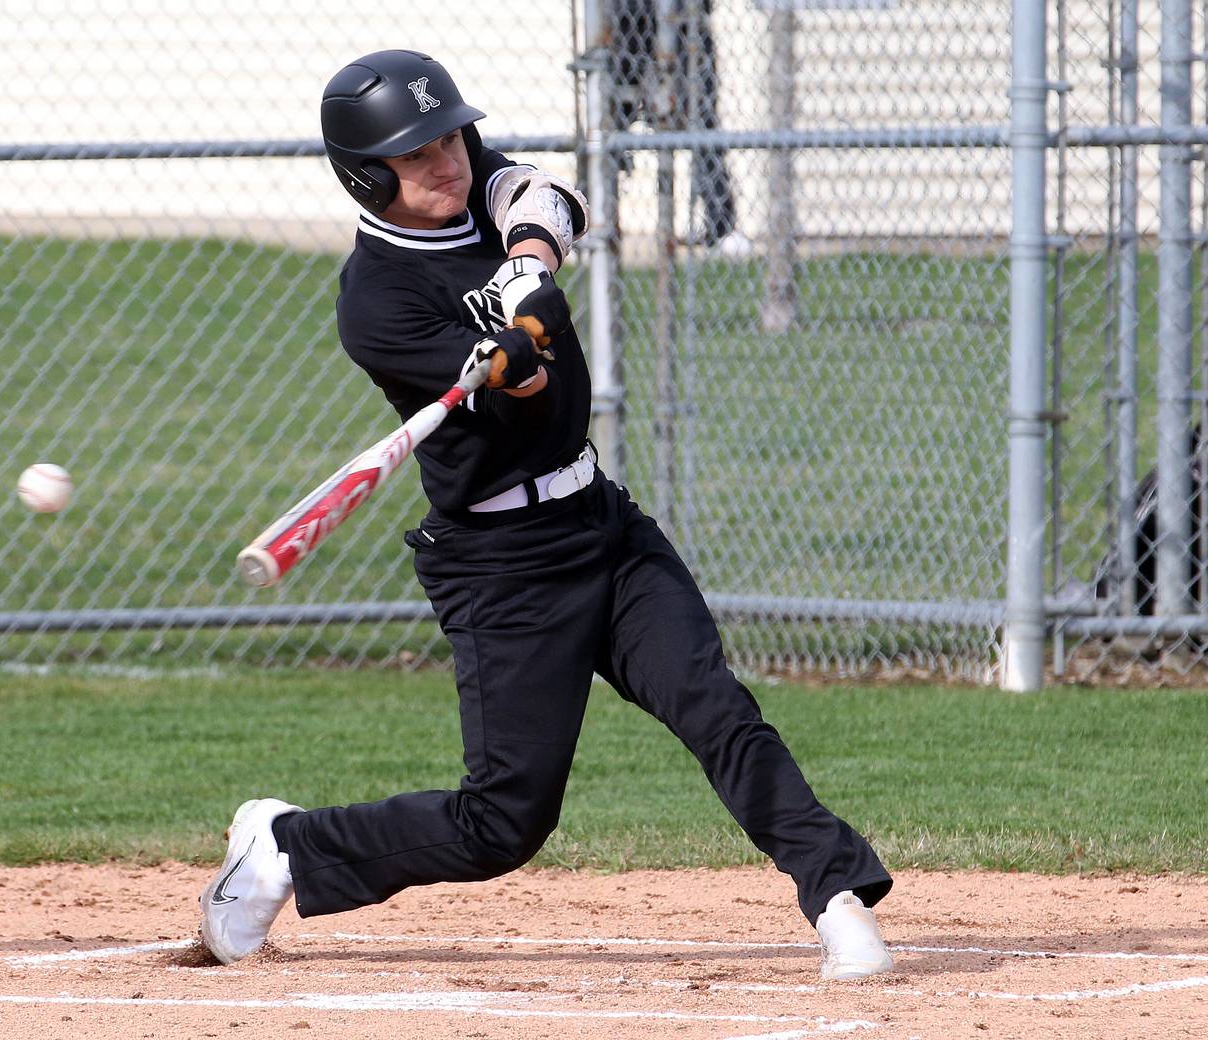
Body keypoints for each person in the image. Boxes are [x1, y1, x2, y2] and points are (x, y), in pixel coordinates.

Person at [199, 48, 893, 981]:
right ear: (368, 175)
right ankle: (287, 847)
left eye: (449, 136)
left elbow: (547, 197)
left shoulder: (481, 182)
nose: (446, 161)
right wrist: (513, 338)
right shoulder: (378, 306)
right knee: (503, 824)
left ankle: (836, 896)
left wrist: (527, 266)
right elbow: (523, 379)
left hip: (600, 523)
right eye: (416, 154)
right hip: (501, 564)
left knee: (713, 705)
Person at [609, 0, 742, 251]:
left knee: (701, 119)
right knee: (613, 122)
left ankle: (721, 224)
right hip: (632, 21)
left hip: (684, 23)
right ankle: (594, 221)